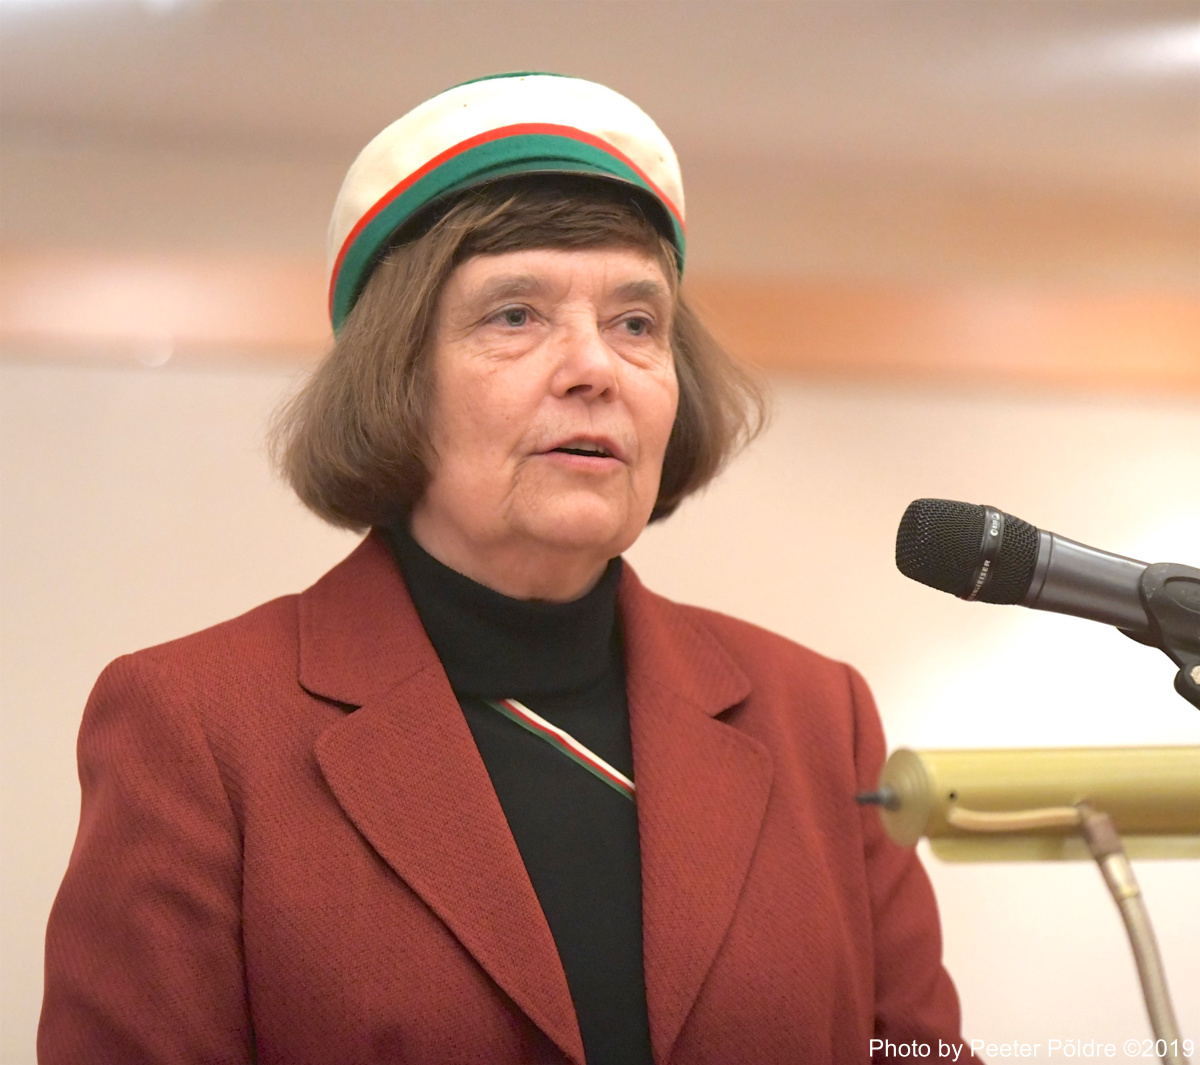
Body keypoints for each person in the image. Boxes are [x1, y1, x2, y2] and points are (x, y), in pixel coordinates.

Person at [39, 73, 977, 1064]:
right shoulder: (195, 725)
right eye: (515, 315)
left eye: (636, 323)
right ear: (396, 379)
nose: (595, 368)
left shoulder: (818, 717)